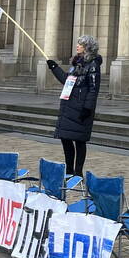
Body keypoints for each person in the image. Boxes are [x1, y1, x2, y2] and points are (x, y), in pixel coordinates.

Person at [45, 35, 102, 179]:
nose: (77, 46)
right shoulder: (76, 64)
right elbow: (67, 80)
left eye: (80, 44)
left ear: (87, 48)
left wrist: (87, 108)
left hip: (81, 107)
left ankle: (78, 171)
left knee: (79, 140)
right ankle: (69, 170)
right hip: (69, 106)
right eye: (78, 44)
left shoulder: (93, 64)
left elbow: (93, 88)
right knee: (66, 138)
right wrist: (54, 68)